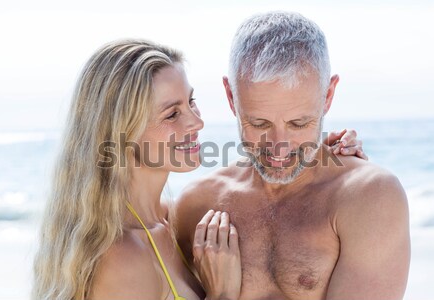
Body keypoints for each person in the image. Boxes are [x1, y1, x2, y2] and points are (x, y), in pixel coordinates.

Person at [32, 40, 365, 300]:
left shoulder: (169, 220)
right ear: (121, 131)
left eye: (190, 102)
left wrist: (323, 158)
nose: (197, 121)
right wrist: (220, 295)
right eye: (172, 114)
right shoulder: (121, 258)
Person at [175, 12, 410, 300]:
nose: (279, 147)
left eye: (299, 124)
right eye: (259, 124)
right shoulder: (195, 205)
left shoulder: (367, 198)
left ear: (328, 95)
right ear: (231, 97)